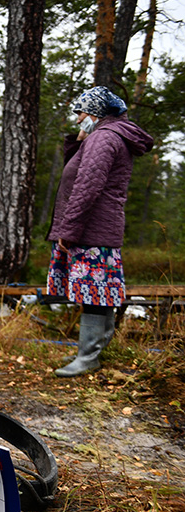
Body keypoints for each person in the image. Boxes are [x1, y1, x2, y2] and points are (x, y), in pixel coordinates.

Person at [48, 86, 153, 377]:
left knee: (93, 292)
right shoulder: (102, 136)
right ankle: (92, 351)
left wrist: (68, 231)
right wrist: (80, 139)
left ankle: (88, 356)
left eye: (80, 113)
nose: (77, 119)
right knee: (98, 292)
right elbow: (77, 169)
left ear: (94, 112)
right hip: (97, 227)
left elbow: (86, 188)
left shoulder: (105, 138)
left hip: (92, 229)